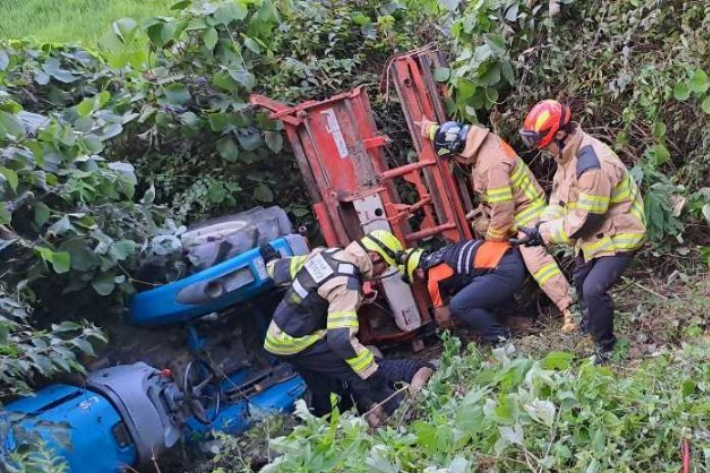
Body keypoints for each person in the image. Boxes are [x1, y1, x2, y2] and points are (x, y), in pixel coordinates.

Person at [517, 99, 646, 362]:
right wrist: (540, 227)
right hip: (599, 235)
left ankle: (606, 347)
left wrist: (546, 235)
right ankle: (590, 326)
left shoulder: (591, 164)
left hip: (620, 233)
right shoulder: (567, 157)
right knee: (580, 281)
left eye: (545, 144)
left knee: (593, 289)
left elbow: (587, 219)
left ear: (561, 135)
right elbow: (559, 200)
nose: (544, 150)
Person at [418, 119, 576, 331]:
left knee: (535, 258)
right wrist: (430, 130)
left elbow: (503, 210)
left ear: (460, 151)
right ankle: (515, 311)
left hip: (527, 211)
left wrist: (492, 240)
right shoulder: (474, 139)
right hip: (513, 210)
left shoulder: (492, 164)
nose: (456, 161)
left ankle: (569, 307)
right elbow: (449, 134)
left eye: (454, 157)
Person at [260, 230, 431, 424]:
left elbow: (280, 271)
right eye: (384, 266)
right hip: (300, 341)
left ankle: (327, 424)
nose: (381, 273)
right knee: (363, 373)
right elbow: (341, 340)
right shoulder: (347, 284)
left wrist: (270, 260)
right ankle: (406, 413)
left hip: (278, 337)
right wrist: (372, 372)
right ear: (374, 255)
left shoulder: (326, 255)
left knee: (323, 387)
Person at [396, 239, 526, 344]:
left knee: (459, 305)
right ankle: (514, 317)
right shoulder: (446, 252)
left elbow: (443, 317)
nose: (421, 282)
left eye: (417, 279)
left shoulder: (433, 276)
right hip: (513, 254)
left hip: (505, 272)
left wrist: (445, 334)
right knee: (473, 291)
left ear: (418, 271)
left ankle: (500, 337)